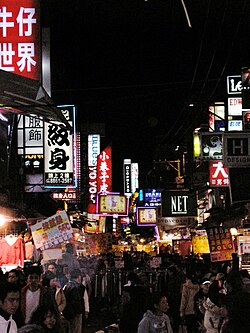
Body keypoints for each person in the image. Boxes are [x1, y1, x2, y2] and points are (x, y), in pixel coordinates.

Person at [62, 269, 87, 333]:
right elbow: (80, 301)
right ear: (79, 277)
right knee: (76, 330)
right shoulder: (78, 287)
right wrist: (84, 312)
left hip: (67, 313)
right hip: (76, 313)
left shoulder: (66, 285)